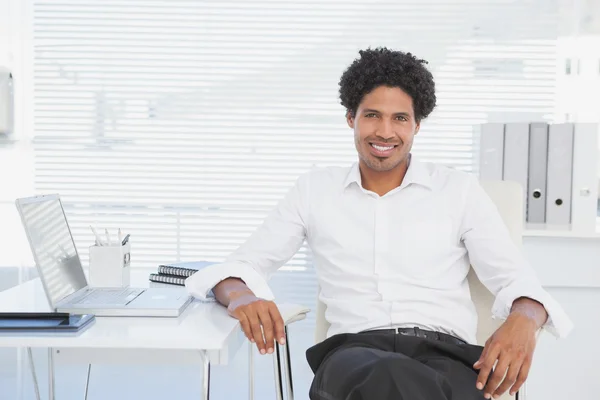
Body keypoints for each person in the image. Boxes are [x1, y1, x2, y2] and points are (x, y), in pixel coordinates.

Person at [185, 47, 573, 400]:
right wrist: (242, 296)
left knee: (419, 384)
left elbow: (517, 281)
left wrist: (525, 317)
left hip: (448, 356)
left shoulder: (458, 190)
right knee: (391, 377)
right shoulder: (314, 190)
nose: (385, 132)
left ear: (416, 126)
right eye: (372, 115)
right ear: (351, 118)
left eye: (400, 118)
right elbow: (240, 267)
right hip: (353, 356)